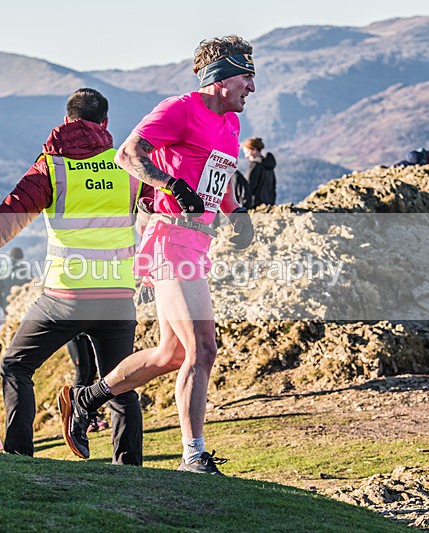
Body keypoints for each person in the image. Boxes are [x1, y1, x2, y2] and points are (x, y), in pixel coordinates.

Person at [57, 35, 255, 476]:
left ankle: (86, 398)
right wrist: (172, 186)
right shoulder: (178, 109)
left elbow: (218, 174)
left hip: (198, 242)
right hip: (169, 238)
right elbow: (128, 154)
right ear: (221, 77)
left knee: (171, 355)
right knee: (203, 348)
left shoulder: (230, 123)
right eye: (246, 77)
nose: (252, 88)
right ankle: (193, 455)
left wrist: (235, 211)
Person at [0, 88, 145, 465]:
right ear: (106, 123)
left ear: (67, 121)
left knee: (17, 366)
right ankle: (130, 470)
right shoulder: (128, 165)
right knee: (120, 382)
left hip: (66, 298)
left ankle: (19, 456)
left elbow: (7, 220)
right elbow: (164, 207)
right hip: (118, 296)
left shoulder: (52, 167)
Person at [66, 333, 108, 432]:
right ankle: (74, 419)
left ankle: (88, 419)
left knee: (92, 371)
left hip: (88, 333)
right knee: (82, 373)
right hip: (75, 334)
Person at [238, 137, 276, 209]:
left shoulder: (255, 166)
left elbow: (248, 189)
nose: (246, 156)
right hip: (269, 205)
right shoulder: (269, 166)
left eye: (247, 152)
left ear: (254, 150)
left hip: (255, 206)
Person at [0, 246, 30, 315]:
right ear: (21, 257)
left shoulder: (2, 271)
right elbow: (31, 288)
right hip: (22, 306)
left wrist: (3, 305)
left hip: (7, 306)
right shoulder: (25, 271)